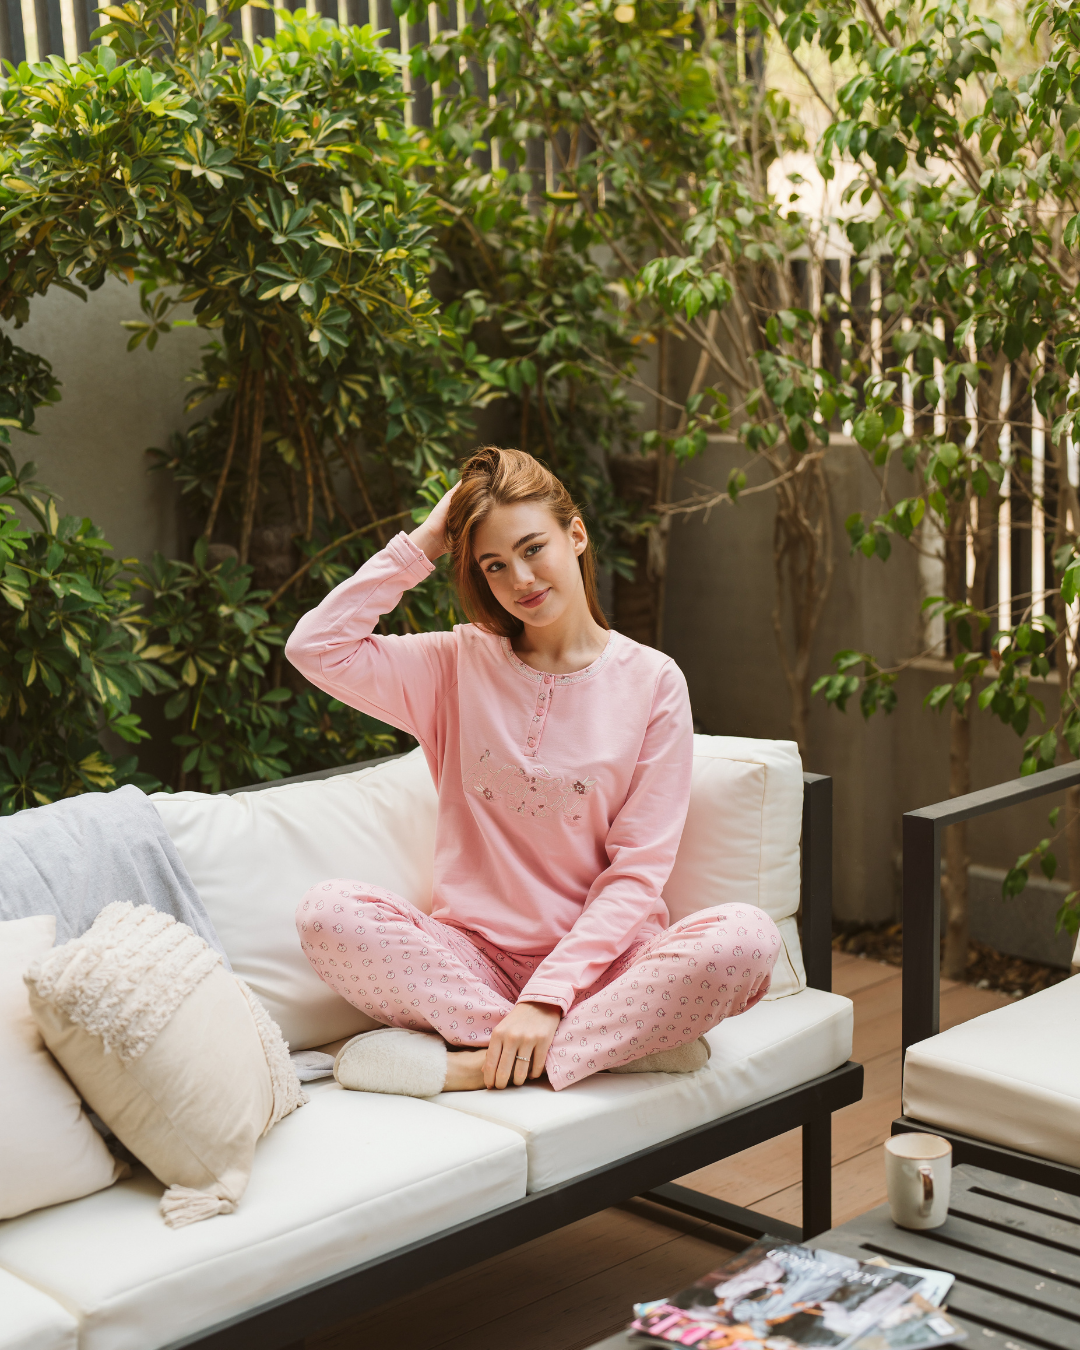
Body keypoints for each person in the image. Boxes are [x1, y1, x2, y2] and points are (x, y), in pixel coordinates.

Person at [286, 446, 780, 1096]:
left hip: (608, 965)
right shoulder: (453, 665)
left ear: (576, 535)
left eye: (532, 548)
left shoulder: (654, 682)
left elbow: (637, 872)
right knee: (327, 914)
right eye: (494, 564)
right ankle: (604, 1047)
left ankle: (479, 1061)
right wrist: (428, 540)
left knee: (747, 939)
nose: (519, 578)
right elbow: (315, 648)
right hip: (476, 961)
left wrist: (548, 998)